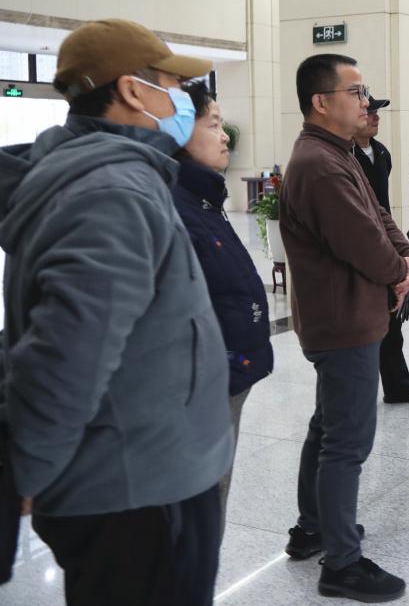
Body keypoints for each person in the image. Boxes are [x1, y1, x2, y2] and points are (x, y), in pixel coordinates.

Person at [0, 18, 233, 605]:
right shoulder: (112, 192)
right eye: (170, 86)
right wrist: (27, 470)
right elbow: (67, 354)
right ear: (132, 90)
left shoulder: (113, 175)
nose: (183, 100)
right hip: (137, 493)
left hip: (143, 472)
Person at [280, 54, 409, 602]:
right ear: (321, 101)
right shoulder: (318, 162)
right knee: (346, 442)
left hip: (350, 313)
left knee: (328, 425)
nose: (365, 101)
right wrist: (398, 270)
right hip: (343, 320)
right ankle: (342, 563)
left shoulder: (339, 152)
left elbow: (379, 216)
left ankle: (313, 527)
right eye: (355, 91)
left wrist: (407, 256)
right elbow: (361, 241)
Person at [172, 81, 274, 527]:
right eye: (213, 124)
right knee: (199, 510)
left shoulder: (202, 198)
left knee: (211, 502)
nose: (225, 135)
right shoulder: (174, 204)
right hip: (206, 380)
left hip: (227, 371)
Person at [352, 95, 409, 405]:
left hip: (384, 242)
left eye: (377, 112)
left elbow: (381, 206)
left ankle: (398, 386)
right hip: (360, 248)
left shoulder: (382, 153)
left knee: (391, 318)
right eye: (370, 112)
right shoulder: (344, 156)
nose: (375, 117)